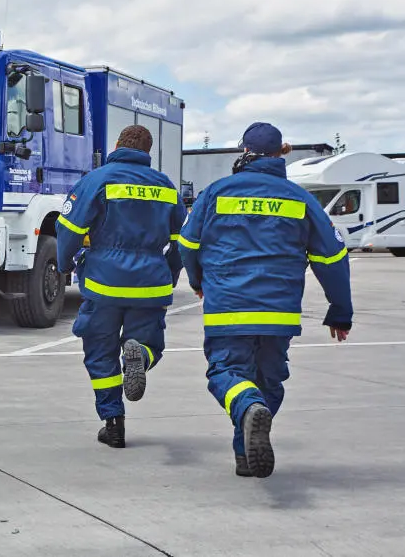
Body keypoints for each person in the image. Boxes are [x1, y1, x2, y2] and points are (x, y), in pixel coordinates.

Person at [179, 122, 352, 478]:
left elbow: (188, 244)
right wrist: (340, 311)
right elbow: (333, 257)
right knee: (268, 382)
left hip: (228, 307)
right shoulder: (300, 199)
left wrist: (197, 281)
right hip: (279, 312)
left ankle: (249, 407)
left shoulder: (215, 193)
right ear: (279, 156)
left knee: (228, 374)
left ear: (244, 152)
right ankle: (245, 457)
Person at [56, 124, 186, 448]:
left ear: (117, 145)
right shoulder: (165, 186)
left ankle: (113, 423)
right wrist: (168, 275)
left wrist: (64, 264)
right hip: (150, 282)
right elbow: (181, 240)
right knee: (150, 343)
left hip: (104, 282)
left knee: (100, 352)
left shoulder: (98, 179)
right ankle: (139, 354)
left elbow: (69, 228)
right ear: (148, 152)